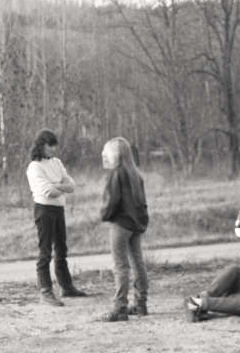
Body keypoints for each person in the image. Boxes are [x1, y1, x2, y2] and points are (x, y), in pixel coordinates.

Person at [25, 129, 86, 306]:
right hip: (44, 210)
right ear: (41, 145)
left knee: (61, 249)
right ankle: (45, 291)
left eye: (54, 145)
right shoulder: (34, 166)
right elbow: (47, 191)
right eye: (49, 145)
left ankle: (66, 287)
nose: (53, 149)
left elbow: (72, 185)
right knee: (45, 252)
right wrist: (60, 186)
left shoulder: (57, 163)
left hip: (59, 209)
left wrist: (57, 185)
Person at [99, 136, 149, 321]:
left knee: (120, 266)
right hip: (135, 225)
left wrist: (104, 215)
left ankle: (120, 308)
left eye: (107, 153)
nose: (104, 156)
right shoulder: (135, 173)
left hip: (120, 225)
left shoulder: (116, 173)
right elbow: (142, 203)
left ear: (115, 155)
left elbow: (111, 202)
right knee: (138, 263)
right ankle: (141, 304)